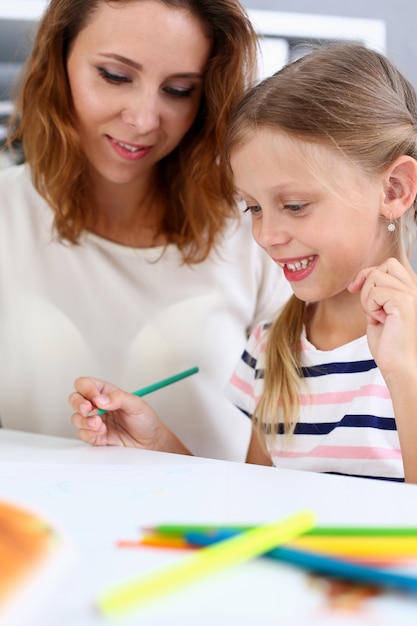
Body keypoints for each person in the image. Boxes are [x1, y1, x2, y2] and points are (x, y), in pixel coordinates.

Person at [69, 42, 417, 483]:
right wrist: (155, 443)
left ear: (393, 191)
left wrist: (405, 372)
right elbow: (255, 502)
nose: (266, 236)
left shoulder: (411, 350)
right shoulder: (272, 347)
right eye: (253, 208)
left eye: (294, 205)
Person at [0, 0, 291, 461]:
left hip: (204, 531)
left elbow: (298, 457)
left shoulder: (258, 228)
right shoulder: (6, 213)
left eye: (178, 90)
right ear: (58, 61)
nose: (142, 121)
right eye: (115, 77)